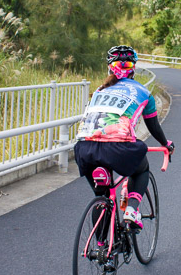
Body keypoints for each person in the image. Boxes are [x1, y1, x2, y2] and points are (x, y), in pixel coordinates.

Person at [74, 45, 174, 229]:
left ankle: (102, 249)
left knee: (102, 197)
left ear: (109, 67)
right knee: (141, 168)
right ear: (133, 68)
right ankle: (132, 211)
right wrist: (166, 144)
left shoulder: (99, 90)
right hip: (117, 147)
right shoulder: (143, 92)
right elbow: (153, 126)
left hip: (84, 148)